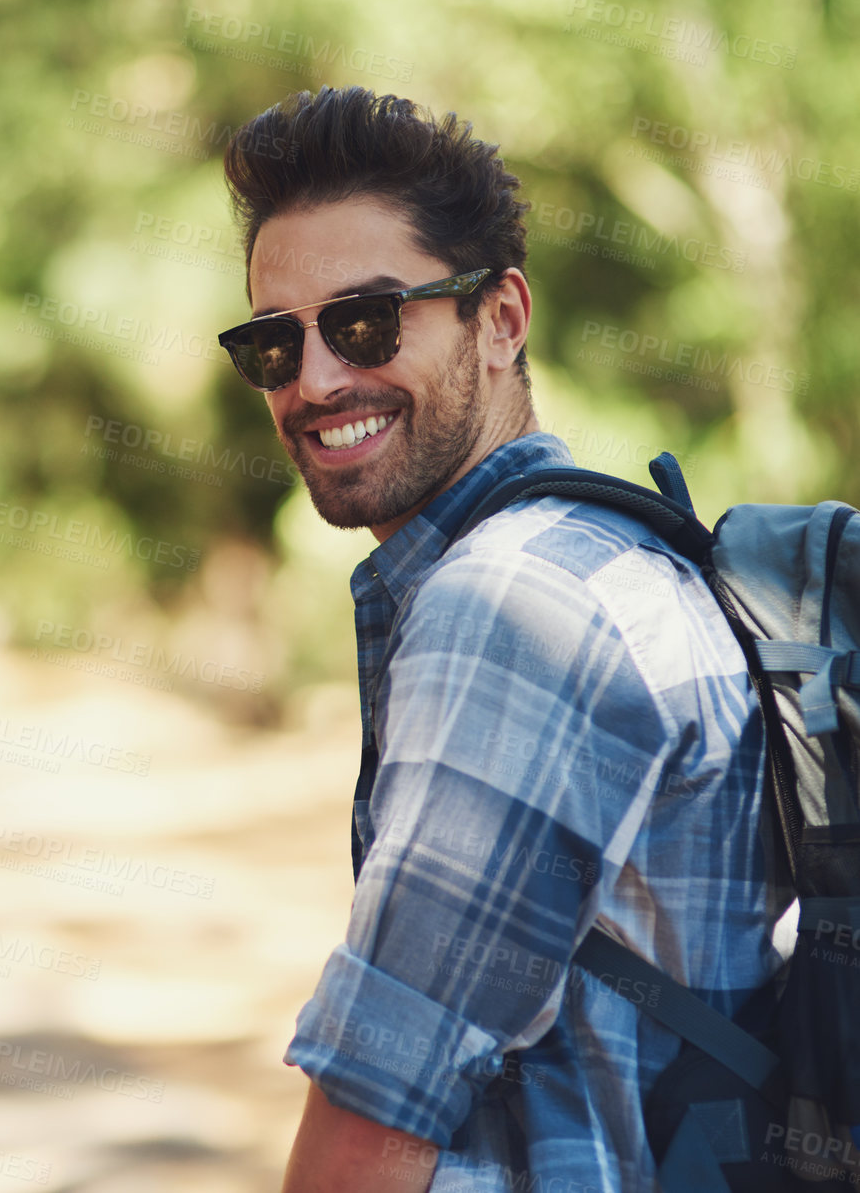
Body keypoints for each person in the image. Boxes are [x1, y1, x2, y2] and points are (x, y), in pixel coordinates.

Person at [216, 88, 791, 1191]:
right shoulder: (613, 551)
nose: (318, 378)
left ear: (502, 319)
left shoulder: (512, 607)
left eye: (367, 321)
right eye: (273, 345)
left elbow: (374, 1117)